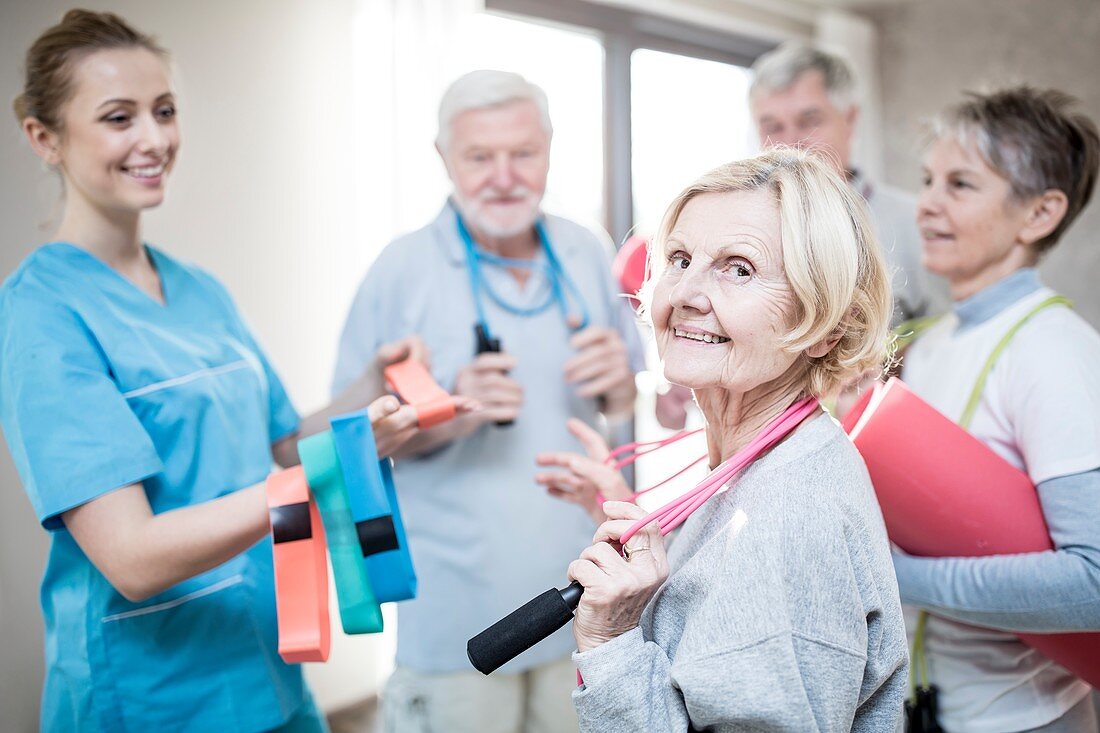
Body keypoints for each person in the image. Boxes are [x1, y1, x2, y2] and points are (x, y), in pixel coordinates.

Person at [0, 11, 439, 732]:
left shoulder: (200, 290)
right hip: (151, 694)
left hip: (268, 665)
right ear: (44, 139)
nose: (154, 138)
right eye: (119, 117)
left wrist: (372, 385)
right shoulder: (40, 315)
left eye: (164, 110)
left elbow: (280, 444)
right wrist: (325, 469)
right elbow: (133, 557)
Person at [541, 149, 909, 730]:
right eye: (681, 258)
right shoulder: (764, 454)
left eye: (739, 268)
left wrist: (611, 638)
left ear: (825, 326)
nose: (686, 292)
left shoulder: (788, 518)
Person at [332, 70, 642, 732]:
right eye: (479, 157)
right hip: (457, 619)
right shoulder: (402, 268)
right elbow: (346, 439)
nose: (504, 176)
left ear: (551, 150)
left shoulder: (585, 249)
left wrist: (618, 382)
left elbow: (620, 401)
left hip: (577, 598)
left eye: (523, 153)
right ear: (444, 157)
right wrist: (442, 411)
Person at [890, 86, 1100, 733]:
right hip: (922, 705)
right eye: (928, 180)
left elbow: (1092, 581)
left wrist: (904, 577)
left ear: (1039, 213)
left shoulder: (1057, 351)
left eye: (960, 184)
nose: (927, 203)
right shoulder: (929, 343)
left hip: (1024, 718)